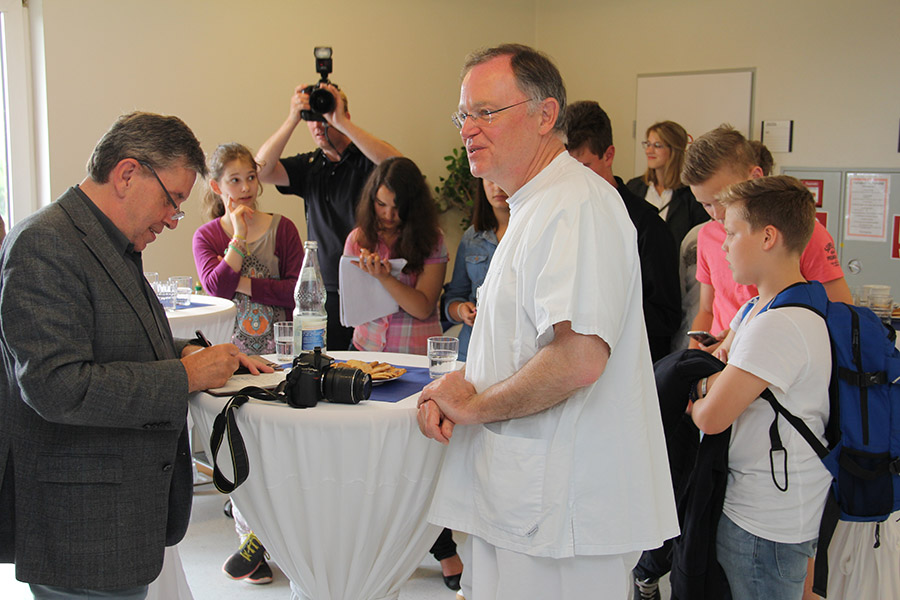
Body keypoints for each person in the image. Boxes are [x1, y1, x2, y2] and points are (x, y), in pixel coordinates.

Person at [417, 44, 679, 600]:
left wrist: (474, 406)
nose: (468, 129)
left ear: (545, 115)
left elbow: (578, 358)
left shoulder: (577, 205)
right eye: (463, 115)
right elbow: (518, 347)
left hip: (562, 514)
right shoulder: (534, 205)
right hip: (525, 503)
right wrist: (460, 387)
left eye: (486, 112)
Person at [0, 112, 270, 599]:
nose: (172, 218)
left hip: (114, 519)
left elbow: (114, 338)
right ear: (127, 174)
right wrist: (184, 375)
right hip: (81, 529)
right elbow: (56, 387)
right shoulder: (45, 243)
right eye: (172, 199)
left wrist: (191, 351)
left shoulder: (105, 242)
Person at [688, 175, 832, 600]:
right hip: (765, 503)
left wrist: (697, 389)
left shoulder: (779, 324)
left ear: (768, 237)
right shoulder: (757, 307)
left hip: (766, 520)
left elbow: (711, 416)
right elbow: (718, 370)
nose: (723, 246)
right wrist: (710, 383)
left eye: (732, 233)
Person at [192, 142, 304, 584]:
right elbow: (216, 289)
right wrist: (237, 238)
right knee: (240, 448)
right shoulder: (208, 236)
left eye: (250, 178)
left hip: (279, 352)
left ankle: (275, 536)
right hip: (232, 356)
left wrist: (245, 283)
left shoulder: (283, 228)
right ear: (217, 186)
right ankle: (250, 541)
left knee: (281, 447)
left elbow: (295, 290)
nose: (244, 188)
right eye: (234, 180)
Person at [256, 82, 402, 351]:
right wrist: (292, 119)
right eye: (311, 118)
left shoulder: (366, 158)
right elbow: (260, 171)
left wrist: (341, 122)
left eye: (324, 117)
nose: (317, 125)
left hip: (371, 282)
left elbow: (400, 167)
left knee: (370, 365)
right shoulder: (310, 166)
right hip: (325, 290)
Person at [682, 125, 851, 354]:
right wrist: (693, 355)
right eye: (706, 204)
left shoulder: (804, 232)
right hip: (721, 357)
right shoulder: (707, 235)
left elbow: (840, 313)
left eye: (723, 199)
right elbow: (706, 309)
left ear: (755, 177)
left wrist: (739, 339)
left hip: (773, 355)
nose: (717, 214)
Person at [565, 100, 681, 362]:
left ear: (609, 155)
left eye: (584, 168)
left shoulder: (647, 226)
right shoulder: (561, 218)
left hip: (627, 362)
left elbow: (665, 318)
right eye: (566, 171)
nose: (574, 180)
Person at [344, 156, 448, 355]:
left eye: (397, 207)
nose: (388, 215)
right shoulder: (358, 239)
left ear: (413, 206)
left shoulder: (432, 239)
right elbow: (353, 308)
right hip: (367, 347)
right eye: (381, 204)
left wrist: (384, 277)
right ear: (371, 199)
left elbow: (423, 309)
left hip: (415, 353)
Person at [443, 178, 510, 361]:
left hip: (515, 348)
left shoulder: (533, 231)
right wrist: (462, 310)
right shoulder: (472, 237)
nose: (497, 186)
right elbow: (454, 297)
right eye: (490, 179)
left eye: (501, 177)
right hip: (472, 348)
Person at [627, 120, 709, 244]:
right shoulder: (634, 187)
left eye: (657, 145)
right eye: (648, 144)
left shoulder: (692, 195)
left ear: (674, 150)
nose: (649, 151)